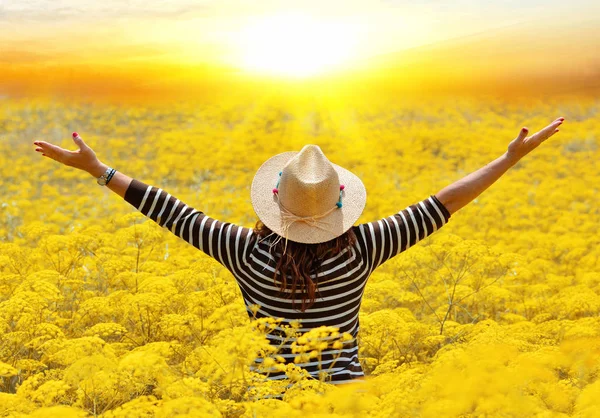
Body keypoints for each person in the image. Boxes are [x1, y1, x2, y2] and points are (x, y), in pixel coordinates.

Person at [32, 116, 565, 385]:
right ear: (339, 206)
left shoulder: (243, 251)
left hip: (272, 398)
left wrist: (97, 170)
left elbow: (170, 210)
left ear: (274, 203)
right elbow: (444, 203)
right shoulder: (363, 248)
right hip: (351, 401)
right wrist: (508, 157)